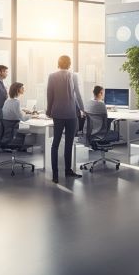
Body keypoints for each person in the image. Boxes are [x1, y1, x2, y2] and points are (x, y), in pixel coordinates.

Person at [46, 55, 85, 184]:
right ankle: (68, 170)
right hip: (71, 114)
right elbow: (78, 94)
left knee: (55, 144)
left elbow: (49, 95)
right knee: (69, 143)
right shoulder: (73, 76)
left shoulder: (52, 76)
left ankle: (55, 175)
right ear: (69, 64)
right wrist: (82, 109)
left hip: (57, 113)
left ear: (58, 63)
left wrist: (48, 110)